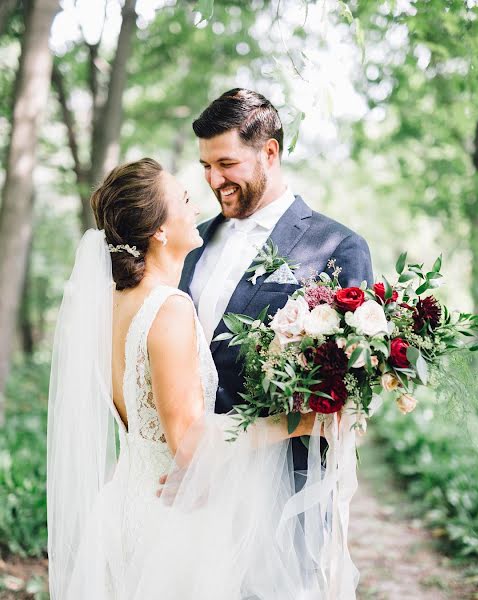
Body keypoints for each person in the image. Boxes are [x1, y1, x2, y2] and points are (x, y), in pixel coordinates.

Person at [47, 158, 357, 599]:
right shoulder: (167, 308)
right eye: (183, 200)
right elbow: (189, 441)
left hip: (124, 502)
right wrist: (308, 421)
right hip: (172, 520)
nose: (195, 206)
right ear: (157, 230)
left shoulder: (109, 305)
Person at [180, 88, 374, 480]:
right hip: (188, 470)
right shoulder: (190, 242)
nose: (214, 179)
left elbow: (354, 385)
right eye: (205, 165)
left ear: (270, 153)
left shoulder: (337, 246)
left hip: (284, 481)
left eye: (226, 163)